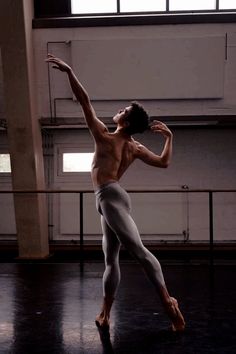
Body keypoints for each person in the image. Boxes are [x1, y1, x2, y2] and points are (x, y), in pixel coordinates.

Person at [46, 54, 185, 332]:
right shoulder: (134, 147)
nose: (118, 110)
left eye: (123, 110)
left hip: (110, 197)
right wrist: (169, 139)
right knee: (111, 259)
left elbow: (85, 101)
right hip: (111, 198)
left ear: (126, 121)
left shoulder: (105, 136)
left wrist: (70, 71)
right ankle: (105, 313)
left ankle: (170, 307)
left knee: (139, 251)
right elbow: (163, 161)